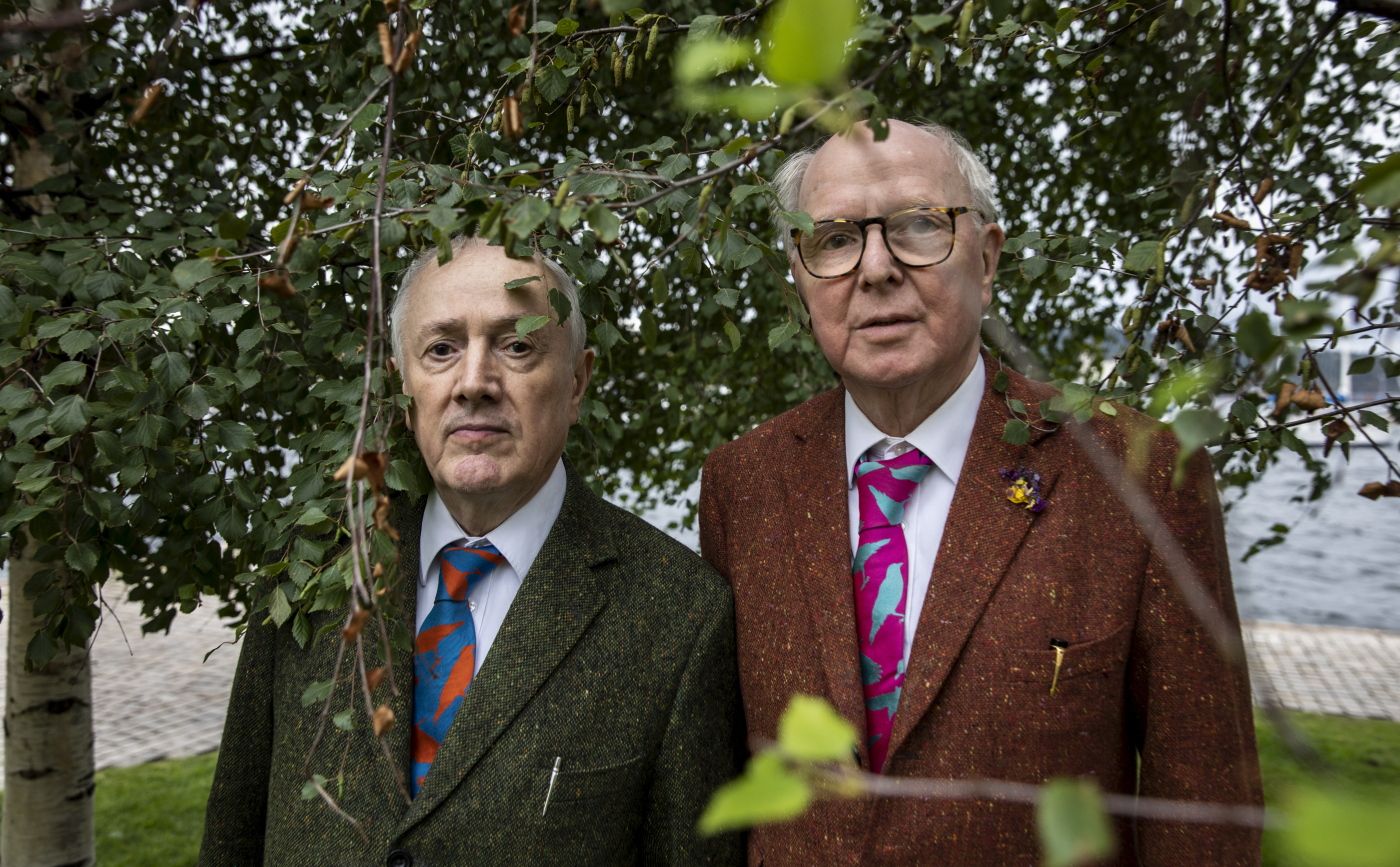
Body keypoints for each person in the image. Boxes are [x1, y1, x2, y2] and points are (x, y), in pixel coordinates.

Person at [699, 120, 1262, 865]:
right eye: (834, 239)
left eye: (918, 225)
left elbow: (1205, 807)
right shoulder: (743, 484)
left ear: (987, 258)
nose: (876, 268)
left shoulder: (1138, 474)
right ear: (800, 282)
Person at [201, 237, 743, 866]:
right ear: (403, 387)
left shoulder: (677, 613)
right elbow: (234, 832)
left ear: (577, 382)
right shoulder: (313, 575)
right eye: (441, 349)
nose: (473, 383)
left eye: (517, 346)